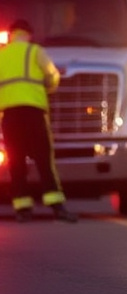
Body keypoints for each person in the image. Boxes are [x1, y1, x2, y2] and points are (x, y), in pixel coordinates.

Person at [0, 19, 78, 223]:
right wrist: (46, 90)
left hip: (10, 115)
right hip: (33, 112)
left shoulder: (2, 55)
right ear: (28, 34)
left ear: (11, 34)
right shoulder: (35, 51)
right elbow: (52, 76)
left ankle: (22, 209)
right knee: (43, 159)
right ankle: (57, 207)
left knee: (16, 161)